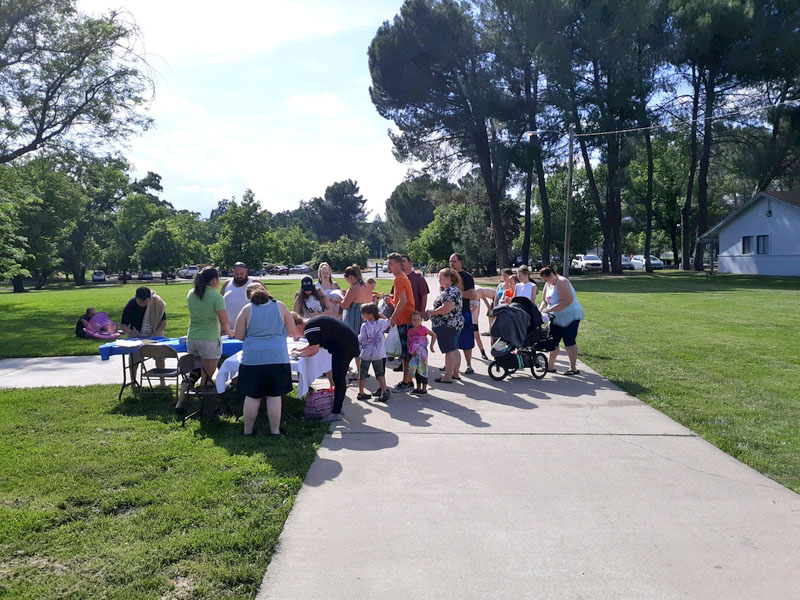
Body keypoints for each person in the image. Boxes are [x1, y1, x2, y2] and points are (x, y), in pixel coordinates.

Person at [234, 283, 296, 437]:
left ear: (249, 296)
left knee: (252, 395)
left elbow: (239, 335)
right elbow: (292, 330)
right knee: (274, 395)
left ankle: (248, 431)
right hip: (277, 356)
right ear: (266, 292)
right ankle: (274, 431)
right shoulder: (280, 307)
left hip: (252, 358)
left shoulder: (247, 310)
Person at [180, 267, 234, 412]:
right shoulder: (216, 296)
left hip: (192, 338)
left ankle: (181, 402)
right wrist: (231, 332)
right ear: (214, 280)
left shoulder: (191, 293)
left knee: (193, 373)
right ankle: (205, 407)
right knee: (207, 376)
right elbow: (224, 322)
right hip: (209, 339)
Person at [293, 314, 360, 422]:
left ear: (296, 327)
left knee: (338, 379)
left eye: (293, 333)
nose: (295, 336)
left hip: (344, 347)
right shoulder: (311, 324)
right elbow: (313, 344)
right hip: (347, 343)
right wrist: (300, 351)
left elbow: (313, 350)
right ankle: (337, 408)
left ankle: (336, 412)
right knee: (338, 378)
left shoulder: (309, 329)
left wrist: (297, 355)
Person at [539, 265, 585, 376]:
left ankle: (573, 368)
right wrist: (540, 312)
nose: (546, 282)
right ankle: (550, 367)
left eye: (546, 279)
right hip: (556, 317)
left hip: (570, 316)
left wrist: (550, 309)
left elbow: (567, 301)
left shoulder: (562, 282)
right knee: (553, 341)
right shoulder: (548, 284)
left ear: (551, 275)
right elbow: (544, 301)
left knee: (569, 341)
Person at [120, 287, 167, 382]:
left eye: (145, 302)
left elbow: (163, 323)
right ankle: (133, 382)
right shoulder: (130, 305)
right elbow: (123, 325)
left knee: (160, 356)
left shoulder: (157, 304)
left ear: (150, 298)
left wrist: (156, 334)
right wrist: (130, 332)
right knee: (134, 358)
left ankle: (162, 381)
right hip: (136, 335)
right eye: (140, 302)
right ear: (135, 298)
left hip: (155, 333)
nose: (143, 305)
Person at [426, 268, 464, 384]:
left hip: (448, 325)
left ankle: (447, 376)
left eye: (441, 278)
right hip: (454, 324)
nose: (439, 280)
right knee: (454, 348)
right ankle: (455, 373)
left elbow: (446, 309)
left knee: (449, 350)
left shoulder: (451, 291)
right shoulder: (453, 290)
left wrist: (431, 312)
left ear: (449, 278)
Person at [386, 252, 415, 392]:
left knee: (405, 354)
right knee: (405, 354)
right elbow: (402, 300)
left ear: (398, 264)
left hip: (405, 319)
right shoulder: (401, 277)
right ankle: (407, 380)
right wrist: (391, 301)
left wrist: (393, 317)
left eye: (391, 263)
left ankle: (406, 382)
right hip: (406, 318)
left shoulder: (399, 279)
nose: (388, 266)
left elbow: (403, 302)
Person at [341, 265, 374, 378]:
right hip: (366, 317)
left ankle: (360, 371)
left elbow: (345, 305)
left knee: (355, 345)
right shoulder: (366, 285)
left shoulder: (354, 288)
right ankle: (364, 370)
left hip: (354, 319)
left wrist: (339, 300)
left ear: (350, 277)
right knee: (365, 344)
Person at [356, 303, 390, 403]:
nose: (362, 315)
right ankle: (384, 391)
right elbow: (388, 321)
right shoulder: (381, 323)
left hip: (366, 353)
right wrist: (381, 315)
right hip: (378, 353)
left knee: (363, 374)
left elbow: (362, 339)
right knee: (380, 374)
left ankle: (361, 392)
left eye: (363, 314)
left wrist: (358, 337)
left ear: (369, 314)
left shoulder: (365, 325)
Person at [448, 253, 476, 375]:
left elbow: (472, 295)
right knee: (450, 340)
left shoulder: (467, 277)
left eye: (454, 261)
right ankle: (450, 364)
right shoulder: (448, 276)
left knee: (466, 339)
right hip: (449, 313)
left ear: (460, 262)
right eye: (450, 261)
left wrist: (457, 293)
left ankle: (469, 365)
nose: (451, 264)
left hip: (463, 312)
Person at [220, 261, 259, 326]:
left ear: (246, 271)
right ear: (233, 272)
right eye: (236, 274)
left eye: (241, 274)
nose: (239, 276)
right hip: (229, 329)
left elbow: (265, 305)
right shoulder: (227, 283)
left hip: (249, 328)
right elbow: (219, 303)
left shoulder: (255, 283)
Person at [408, 310, 436, 395]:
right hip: (414, 354)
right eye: (414, 320)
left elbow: (434, 335)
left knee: (423, 370)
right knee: (416, 370)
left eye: (418, 319)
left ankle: (424, 389)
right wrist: (411, 351)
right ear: (411, 320)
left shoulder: (423, 329)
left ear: (421, 320)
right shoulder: (410, 331)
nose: (416, 322)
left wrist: (431, 346)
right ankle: (418, 387)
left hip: (422, 354)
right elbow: (409, 342)